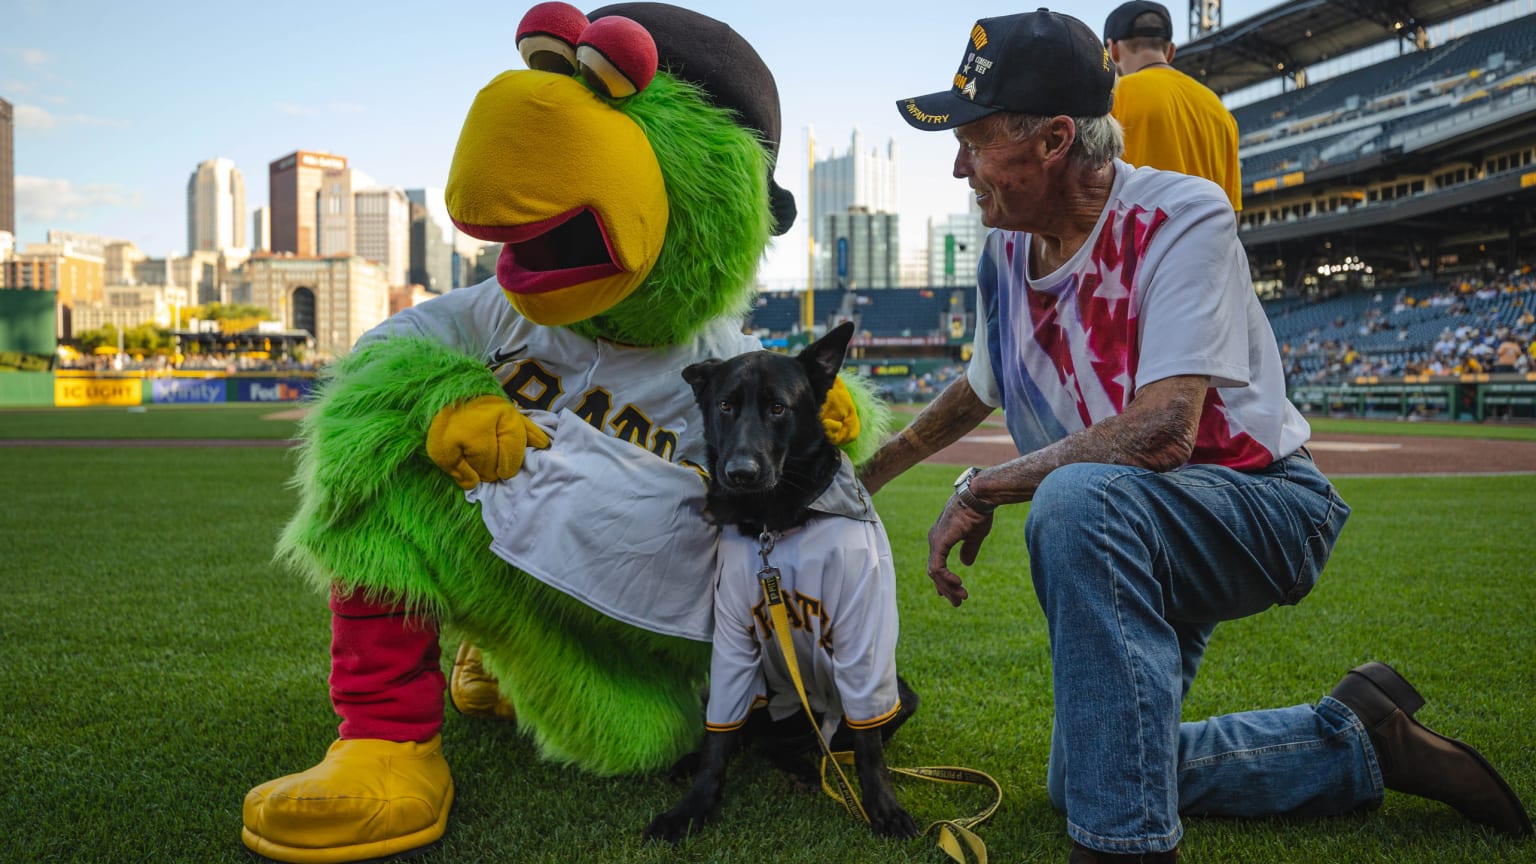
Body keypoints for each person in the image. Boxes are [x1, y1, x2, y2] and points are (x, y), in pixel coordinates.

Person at [880, 9, 1531, 862]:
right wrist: (869, 472)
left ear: (1052, 140)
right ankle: (1358, 739)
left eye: (975, 140)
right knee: (1090, 776)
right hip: (1138, 519)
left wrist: (985, 485)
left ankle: (1126, 849)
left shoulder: (1180, 213)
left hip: (1259, 504)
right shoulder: (1004, 256)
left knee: (1074, 502)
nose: (958, 165)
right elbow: (980, 387)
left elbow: (1162, 431)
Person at [1103, 1, 1243, 210]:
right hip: (1206, 240)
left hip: (1139, 240)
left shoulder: (1113, 96)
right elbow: (1233, 213)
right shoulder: (1220, 111)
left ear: (1113, 50)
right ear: (1170, 51)